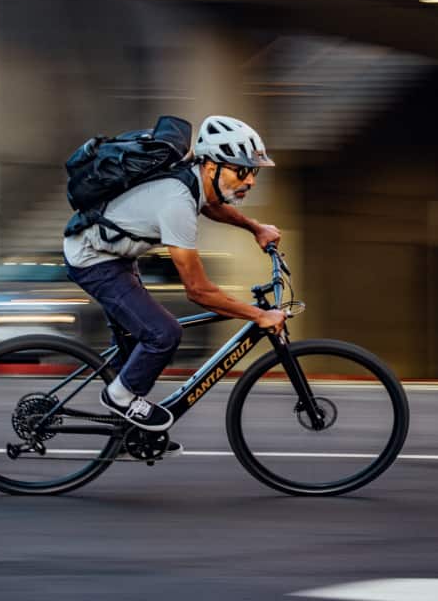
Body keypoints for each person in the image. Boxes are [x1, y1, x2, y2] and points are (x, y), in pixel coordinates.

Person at [63, 115, 286, 444]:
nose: (250, 180)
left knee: (135, 346)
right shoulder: (176, 201)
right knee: (163, 334)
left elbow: (211, 206)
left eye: (252, 172)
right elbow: (197, 290)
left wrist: (256, 228)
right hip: (94, 259)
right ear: (212, 167)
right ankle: (120, 398)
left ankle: (129, 435)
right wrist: (259, 315)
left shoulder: (192, 179)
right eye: (242, 170)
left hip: (115, 254)